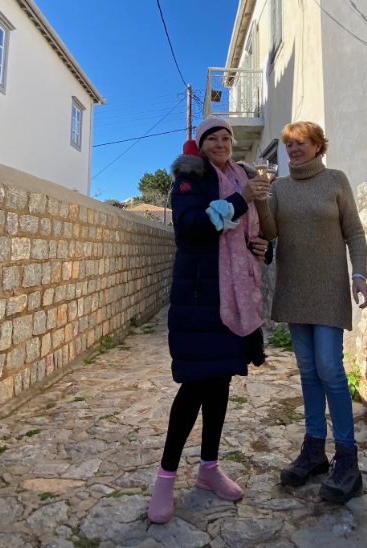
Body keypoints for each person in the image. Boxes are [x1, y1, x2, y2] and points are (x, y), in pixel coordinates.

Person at [147, 116, 272, 524]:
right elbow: (191, 227)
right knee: (194, 388)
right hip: (201, 296)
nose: (221, 144)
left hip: (234, 296)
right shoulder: (191, 178)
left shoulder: (240, 175)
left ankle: (209, 468)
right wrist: (242, 199)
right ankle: (165, 478)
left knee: (220, 384)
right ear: (201, 145)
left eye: (226, 138)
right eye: (212, 138)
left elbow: (250, 233)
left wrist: (261, 247)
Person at [257, 121, 367, 504]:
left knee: (330, 369)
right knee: (307, 370)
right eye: (289, 144)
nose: (293, 149)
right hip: (294, 288)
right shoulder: (280, 188)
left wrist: (359, 275)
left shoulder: (335, 180)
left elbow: (354, 231)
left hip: (328, 289)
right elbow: (270, 232)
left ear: (319, 146)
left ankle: (348, 460)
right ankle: (314, 450)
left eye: (301, 143)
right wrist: (260, 199)